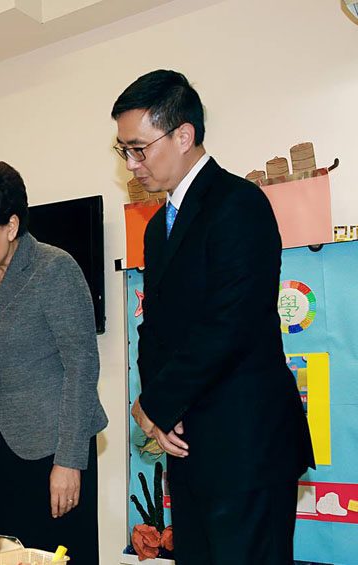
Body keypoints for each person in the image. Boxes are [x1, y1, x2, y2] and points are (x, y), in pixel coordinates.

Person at [114, 70, 314, 563]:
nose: (132, 164)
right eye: (124, 151)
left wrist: (156, 403)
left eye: (139, 149)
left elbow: (231, 322)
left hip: (246, 444)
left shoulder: (238, 203)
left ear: (183, 135)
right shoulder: (158, 227)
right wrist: (158, 411)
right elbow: (154, 328)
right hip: (188, 444)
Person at [0, 157, 106, 564]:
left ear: (10, 226)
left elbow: (82, 368)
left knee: (62, 555)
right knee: (12, 555)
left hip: (56, 445)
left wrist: (69, 462)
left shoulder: (53, 269)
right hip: (5, 446)